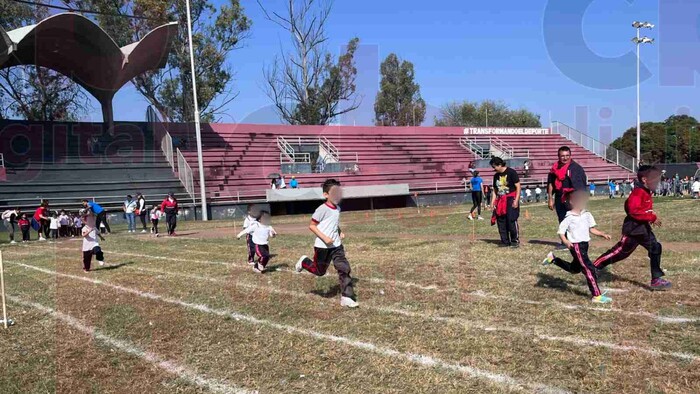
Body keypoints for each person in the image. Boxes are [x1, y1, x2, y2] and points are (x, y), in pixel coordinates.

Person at [593, 166, 672, 291]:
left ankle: (656, 279)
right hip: (633, 230)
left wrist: (648, 217)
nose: (657, 182)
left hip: (643, 229)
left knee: (656, 247)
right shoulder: (637, 192)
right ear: (645, 179)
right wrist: (651, 217)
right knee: (619, 253)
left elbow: (642, 210)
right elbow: (633, 211)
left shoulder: (646, 192)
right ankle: (594, 267)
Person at [295, 179, 358, 308]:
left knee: (344, 268)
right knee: (319, 271)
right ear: (326, 195)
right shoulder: (321, 209)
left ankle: (346, 297)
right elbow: (312, 226)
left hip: (336, 246)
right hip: (322, 246)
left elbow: (333, 223)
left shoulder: (338, 208)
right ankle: (303, 261)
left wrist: (339, 232)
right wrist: (325, 238)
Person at [542, 191, 613, 303]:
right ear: (571, 202)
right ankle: (596, 296)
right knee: (588, 269)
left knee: (574, 269)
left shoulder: (587, 214)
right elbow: (561, 231)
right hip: (576, 246)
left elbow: (591, 229)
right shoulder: (569, 217)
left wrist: (602, 234)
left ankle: (553, 259)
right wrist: (565, 241)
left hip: (585, 245)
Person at [547, 146, 587, 223]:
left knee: (574, 223)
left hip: (572, 200)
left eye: (567, 155)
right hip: (559, 199)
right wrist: (550, 199)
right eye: (562, 156)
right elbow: (550, 183)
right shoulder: (554, 168)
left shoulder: (576, 168)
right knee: (562, 222)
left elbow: (581, 187)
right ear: (558, 156)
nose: (565, 158)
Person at [489, 157, 521, 248]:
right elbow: (495, 190)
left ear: (499, 165)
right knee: (501, 220)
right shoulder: (496, 176)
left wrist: (516, 200)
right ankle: (504, 241)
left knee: (511, 220)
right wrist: (492, 202)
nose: (493, 169)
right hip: (500, 200)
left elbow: (518, 187)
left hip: (511, 198)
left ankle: (515, 240)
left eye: (494, 166)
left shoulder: (511, 172)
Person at [80, 208, 105, 272]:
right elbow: (84, 235)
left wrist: (101, 237)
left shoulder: (94, 227)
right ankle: (86, 268)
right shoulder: (84, 228)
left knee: (98, 250)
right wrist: (89, 231)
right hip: (87, 246)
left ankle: (100, 259)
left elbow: (97, 232)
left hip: (94, 243)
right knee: (86, 259)